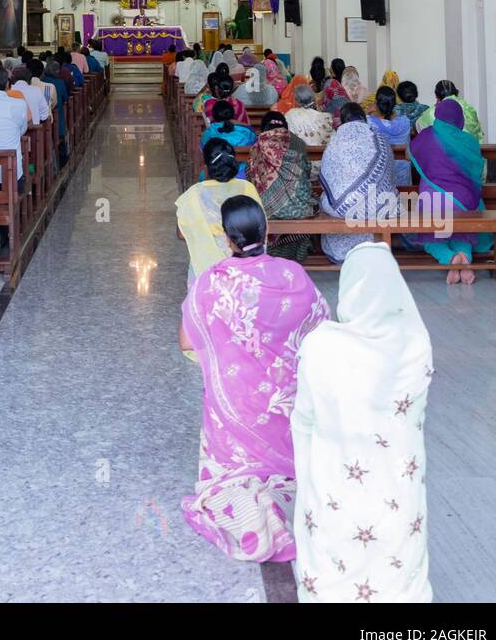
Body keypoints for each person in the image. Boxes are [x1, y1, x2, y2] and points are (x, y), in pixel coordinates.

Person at [180, 196, 329, 563]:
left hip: (236, 404)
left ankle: (245, 489)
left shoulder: (212, 283)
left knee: (222, 392)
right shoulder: (294, 275)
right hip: (286, 405)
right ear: (268, 232)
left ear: (227, 240)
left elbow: (186, 340)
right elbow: (321, 328)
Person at [292, 241, 433, 603]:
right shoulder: (415, 342)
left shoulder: (322, 344)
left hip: (336, 493)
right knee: (397, 565)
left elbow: (304, 419)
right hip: (397, 496)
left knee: (334, 565)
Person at [404, 98, 491, 284]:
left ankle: (450, 259)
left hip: (433, 199)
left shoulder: (428, 135)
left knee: (430, 236)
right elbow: (477, 171)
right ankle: (464, 257)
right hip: (464, 199)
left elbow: (408, 153)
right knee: (462, 233)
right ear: (460, 119)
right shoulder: (470, 141)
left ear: (437, 116)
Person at [317, 103, 395, 264]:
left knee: (324, 199)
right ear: (364, 118)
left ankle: (342, 250)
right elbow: (390, 173)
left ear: (343, 121)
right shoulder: (379, 138)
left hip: (345, 207)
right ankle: (374, 248)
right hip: (381, 204)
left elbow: (326, 173)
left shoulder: (336, 141)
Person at [175, 140, 262, 281]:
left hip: (206, 268)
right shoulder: (247, 188)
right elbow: (260, 226)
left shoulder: (193, 194)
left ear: (206, 166)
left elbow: (181, 234)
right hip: (245, 264)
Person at [248, 110, 315, 262]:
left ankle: (269, 251)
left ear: (264, 127)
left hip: (267, 210)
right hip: (300, 210)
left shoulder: (258, 144)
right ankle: (299, 249)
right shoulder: (298, 142)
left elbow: (250, 174)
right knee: (314, 198)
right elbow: (307, 171)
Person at [367, 85, 412, 186]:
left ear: (377, 104)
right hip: (404, 178)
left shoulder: (370, 123)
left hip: (382, 180)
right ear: (394, 104)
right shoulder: (405, 122)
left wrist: (369, 113)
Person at [414, 79, 483, 140]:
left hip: (448, 152)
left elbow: (418, 126)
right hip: (473, 149)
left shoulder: (433, 111)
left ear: (436, 96)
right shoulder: (469, 108)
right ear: (456, 92)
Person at [286, 83, 333, 148]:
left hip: (300, 155)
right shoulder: (327, 117)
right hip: (323, 155)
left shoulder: (290, 114)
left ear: (296, 100)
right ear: (313, 97)